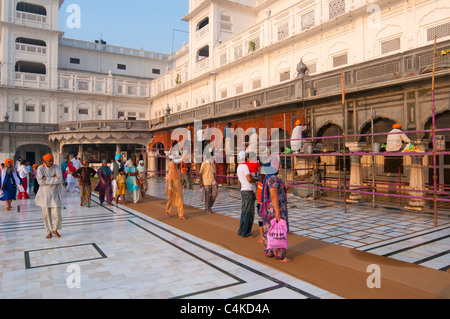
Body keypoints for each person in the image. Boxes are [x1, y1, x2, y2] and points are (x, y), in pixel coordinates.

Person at [259, 156, 290, 262]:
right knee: (278, 230)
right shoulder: (273, 179)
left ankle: (269, 251)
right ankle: (279, 254)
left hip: (268, 210)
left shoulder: (268, 177)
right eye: (278, 165)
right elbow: (273, 195)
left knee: (269, 230)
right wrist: (278, 212)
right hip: (274, 210)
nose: (279, 167)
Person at [35, 154, 63, 239]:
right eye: (49, 161)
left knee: (57, 214)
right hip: (44, 195)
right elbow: (40, 181)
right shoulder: (40, 168)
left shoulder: (56, 167)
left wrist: (45, 178)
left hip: (55, 194)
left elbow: (59, 179)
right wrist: (53, 179)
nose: (51, 162)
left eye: (52, 160)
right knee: (46, 215)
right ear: (45, 161)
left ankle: (55, 229)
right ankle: (49, 232)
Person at [237, 151, 260, 238]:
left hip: (243, 190)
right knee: (249, 212)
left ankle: (241, 230)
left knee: (244, 211)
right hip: (249, 190)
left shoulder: (239, 167)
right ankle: (246, 232)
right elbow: (249, 179)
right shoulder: (245, 166)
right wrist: (257, 180)